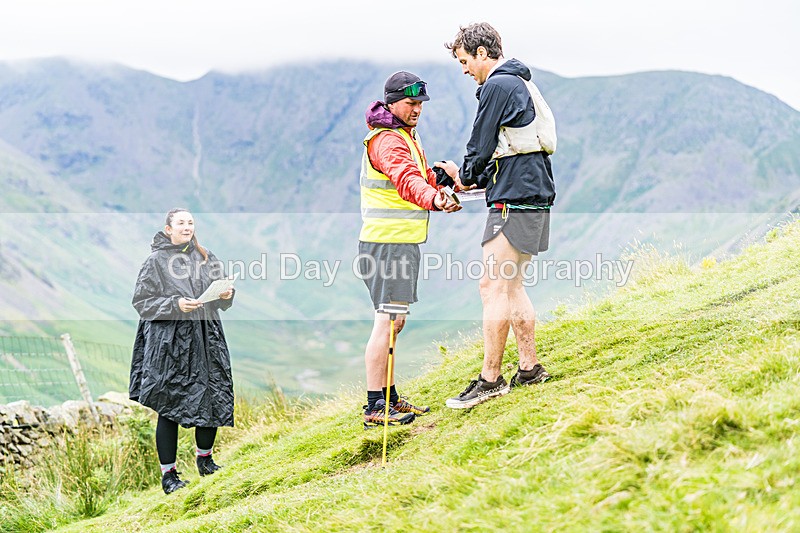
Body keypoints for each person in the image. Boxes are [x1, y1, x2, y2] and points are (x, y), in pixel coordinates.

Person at [437, 23, 554, 409]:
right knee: (512, 284)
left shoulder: (497, 86)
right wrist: (474, 179)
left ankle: (490, 379)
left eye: (465, 61)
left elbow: (481, 141)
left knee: (492, 287)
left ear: (482, 53)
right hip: (533, 190)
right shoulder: (519, 83)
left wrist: (465, 177)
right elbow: (513, 146)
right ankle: (529, 368)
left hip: (514, 196)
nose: (465, 69)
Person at [358, 71, 461, 428]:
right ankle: (374, 407)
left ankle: (389, 398)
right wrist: (433, 197)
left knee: (395, 321)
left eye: (420, 104)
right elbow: (405, 179)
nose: (417, 109)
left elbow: (418, 176)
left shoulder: (405, 135)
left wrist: (441, 180)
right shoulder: (388, 140)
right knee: (386, 323)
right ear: (392, 102)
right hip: (386, 244)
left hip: (400, 243)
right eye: (411, 103)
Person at [129, 208, 236, 494]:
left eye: (190, 222)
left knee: (212, 394)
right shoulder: (155, 261)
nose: (186, 226)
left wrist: (226, 294)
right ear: (168, 229)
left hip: (206, 337)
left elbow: (221, 295)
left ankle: (206, 461)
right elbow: (142, 302)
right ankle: (169, 476)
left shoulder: (205, 256)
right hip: (169, 344)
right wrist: (175, 305)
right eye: (180, 223)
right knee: (170, 405)